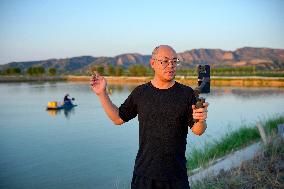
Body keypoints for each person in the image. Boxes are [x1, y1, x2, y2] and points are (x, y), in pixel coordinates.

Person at [90, 45, 208, 189]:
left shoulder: (187, 93)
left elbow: (198, 130)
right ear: (153, 63)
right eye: (164, 61)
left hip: (176, 176)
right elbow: (117, 118)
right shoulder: (140, 93)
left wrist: (201, 119)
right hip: (144, 175)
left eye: (174, 61)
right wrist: (102, 93)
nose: (170, 65)